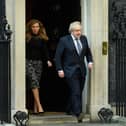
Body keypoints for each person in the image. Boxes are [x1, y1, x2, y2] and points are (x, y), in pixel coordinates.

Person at [55, 21, 93, 122]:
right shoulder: (64, 40)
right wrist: (59, 69)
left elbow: (88, 53)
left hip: (82, 70)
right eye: (77, 31)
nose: (79, 32)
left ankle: (69, 109)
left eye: (80, 30)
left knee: (78, 91)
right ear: (71, 31)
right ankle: (78, 113)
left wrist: (90, 62)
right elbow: (58, 56)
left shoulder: (84, 39)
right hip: (69, 70)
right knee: (76, 91)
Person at [26, 19, 52, 114]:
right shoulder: (27, 37)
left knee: (36, 84)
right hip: (28, 62)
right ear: (30, 28)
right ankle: (39, 106)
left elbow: (45, 50)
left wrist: (48, 60)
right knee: (34, 81)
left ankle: (35, 109)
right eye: (33, 27)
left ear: (39, 28)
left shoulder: (42, 38)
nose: (35, 29)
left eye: (37, 27)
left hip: (39, 63)